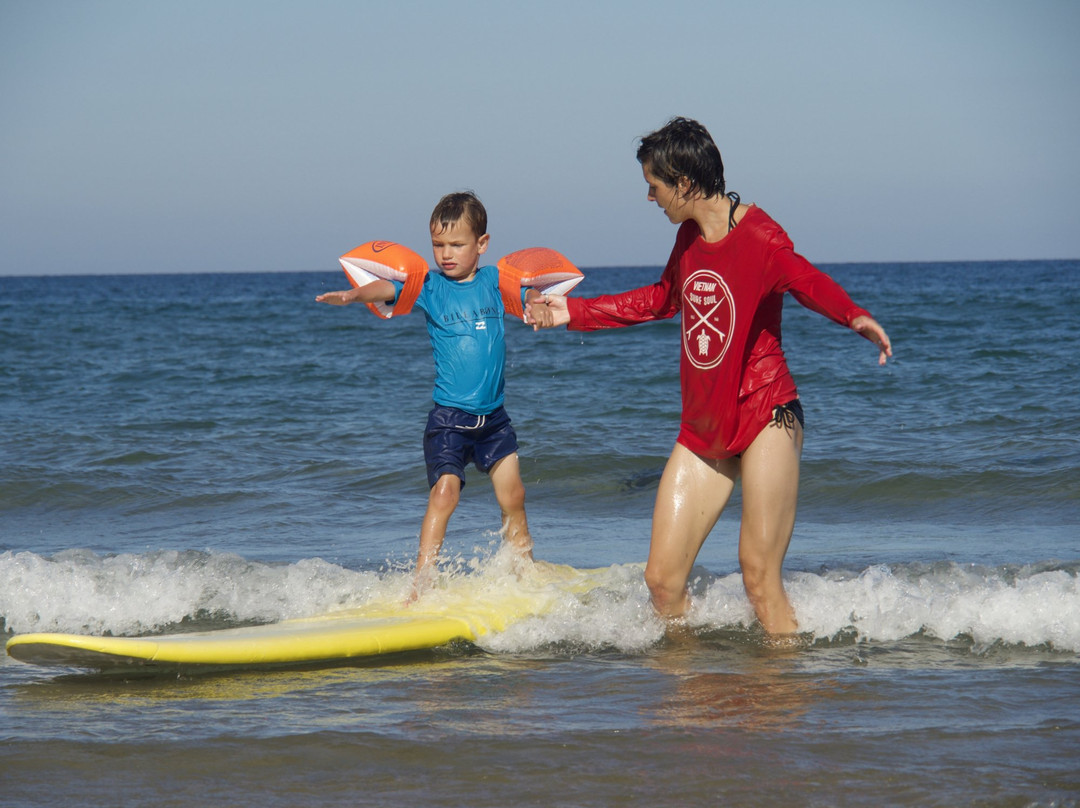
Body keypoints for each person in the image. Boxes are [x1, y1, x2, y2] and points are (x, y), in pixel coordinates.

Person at [528, 117, 891, 636]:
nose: (649, 197)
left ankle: (783, 696)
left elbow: (807, 281)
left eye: (654, 185)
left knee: (758, 576)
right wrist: (571, 313)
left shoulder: (763, 237)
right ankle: (695, 695)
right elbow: (661, 298)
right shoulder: (689, 237)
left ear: (684, 183)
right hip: (705, 427)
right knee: (662, 581)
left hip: (767, 412)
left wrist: (854, 316)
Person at [317, 191, 537, 593]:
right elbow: (386, 289)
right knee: (445, 492)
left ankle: (525, 571)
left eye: (457, 244)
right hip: (449, 419)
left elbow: (527, 293)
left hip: (495, 419)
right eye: (438, 245)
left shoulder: (493, 282)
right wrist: (353, 295)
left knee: (514, 494)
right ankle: (423, 579)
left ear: (482, 244)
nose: (446, 254)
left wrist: (538, 303)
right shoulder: (430, 287)